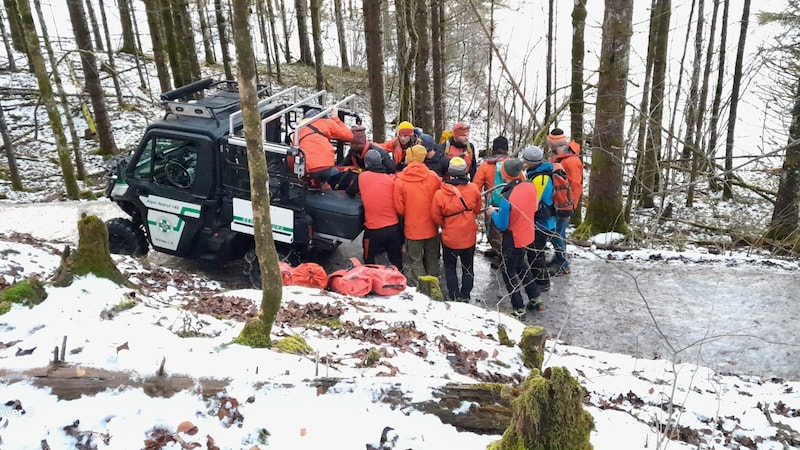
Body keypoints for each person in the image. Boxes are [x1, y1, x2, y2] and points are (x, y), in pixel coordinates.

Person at [486, 158, 543, 318]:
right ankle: (535, 299)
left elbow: (502, 225)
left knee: (508, 272)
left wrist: (493, 214)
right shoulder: (531, 186)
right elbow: (534, 207)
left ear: (505, 175)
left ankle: (519, 308)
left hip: (512, 239)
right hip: (526, 235)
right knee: (522, 267)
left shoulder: (506, 197)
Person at [430, 157, 482, 302]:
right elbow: (477, 209)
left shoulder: (440, 193)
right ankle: (465, 295)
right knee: (468, 267)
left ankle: (453, 295)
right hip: (469, 235)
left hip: (450, 237)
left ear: (449, 173)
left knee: (450, 267)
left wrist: (445, 224)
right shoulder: (473, 189)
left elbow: (435, 216)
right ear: (465, 172)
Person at [394, 144, 443, 286]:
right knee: (432, 257)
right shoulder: (434, 177)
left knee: (415, 259)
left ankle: (423, 288)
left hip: (412, 228)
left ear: (408, 158)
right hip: (432, 226)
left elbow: (399, 208)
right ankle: (434, 286)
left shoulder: (400, 180)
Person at [356, 149, 403, 269]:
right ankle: (400, 282)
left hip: (374, 230)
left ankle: (371, 282)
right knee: (396, 261)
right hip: (394, 228)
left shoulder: (362, 177)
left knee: (368, 261)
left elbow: (350, 191)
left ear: (366, 164)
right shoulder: (391, 179)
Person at [547, 128, 584, 276]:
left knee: (556, 233)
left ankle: (563, 264)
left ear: (555, 144)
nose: (549, 147)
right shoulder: (559, 159)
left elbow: (576, 185)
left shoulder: (571, 162)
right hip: (557, 203)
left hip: (564, 205)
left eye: (550, 144)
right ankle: (559, 259)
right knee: (559, 233)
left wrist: (570, 205)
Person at [522, 146, 556, 292]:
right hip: (542, 221)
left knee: (536, 254)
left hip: (543, 223)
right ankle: (539, 280)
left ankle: (542, 283)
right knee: (535, 252)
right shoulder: (537, 174)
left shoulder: (541, 178)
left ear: (529, 162)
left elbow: (533, 202)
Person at [472, 136, 511, 260]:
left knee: (494, 229)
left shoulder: (486, 165)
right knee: (509, 228)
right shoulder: (512, 164)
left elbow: (475, 187)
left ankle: (500, 253)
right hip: (511, 202)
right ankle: (503, 251)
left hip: (493, 203)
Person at [296, 107, 353, 185]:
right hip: (327, 165)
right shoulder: (327, 123)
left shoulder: (299, 128)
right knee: (333, 172)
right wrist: (335, 118)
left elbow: (294, 152)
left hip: (308, 168)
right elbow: (349, 136)